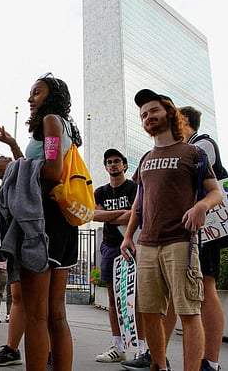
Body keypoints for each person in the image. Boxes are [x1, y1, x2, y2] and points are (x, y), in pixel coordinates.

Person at [119, 90, 223, 371]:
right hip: (147, 245)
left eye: (153, 111)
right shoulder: (145, 159)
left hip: (181, 242)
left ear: (169, 113)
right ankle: (159, 366)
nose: (148, 117)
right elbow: (138, 204)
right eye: (143, 115)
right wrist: (129, 236)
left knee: (189, 312)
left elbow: (216, 193)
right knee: (149, 312)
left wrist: (201, 207)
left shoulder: (194, 152)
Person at [0, 73, 80, 371]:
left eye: (37, 92)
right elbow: (38, 167)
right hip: (61, 224)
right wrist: (14, 145)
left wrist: (11, 166)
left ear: (52, 96)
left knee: (36, 315)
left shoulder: (51, 121)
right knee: (56, 314)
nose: (30, 98)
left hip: (42, 224)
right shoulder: (61, 126)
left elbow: (52, 172)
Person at [158, 106, 228, 371]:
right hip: (183, 229)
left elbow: (199, 181)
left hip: (205, 228)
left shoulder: (202, 145)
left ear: (184, 120)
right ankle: (157, 356)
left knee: (207, 288)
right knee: (172, 293)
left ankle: (209, 361)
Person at [92, 148, 147, 364]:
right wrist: (123, 215)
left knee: (136, 298)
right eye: (109, 162)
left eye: (117, 161)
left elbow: (138, 213)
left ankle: (142, 347)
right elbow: (94, 214)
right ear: (106, 167)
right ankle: (118, 346)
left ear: (125, 165)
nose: (113, 165)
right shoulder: (100, 192)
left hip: (133, 246)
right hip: (109, 247)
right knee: (114, 299)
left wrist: (109, 215)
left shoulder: (134, 188)